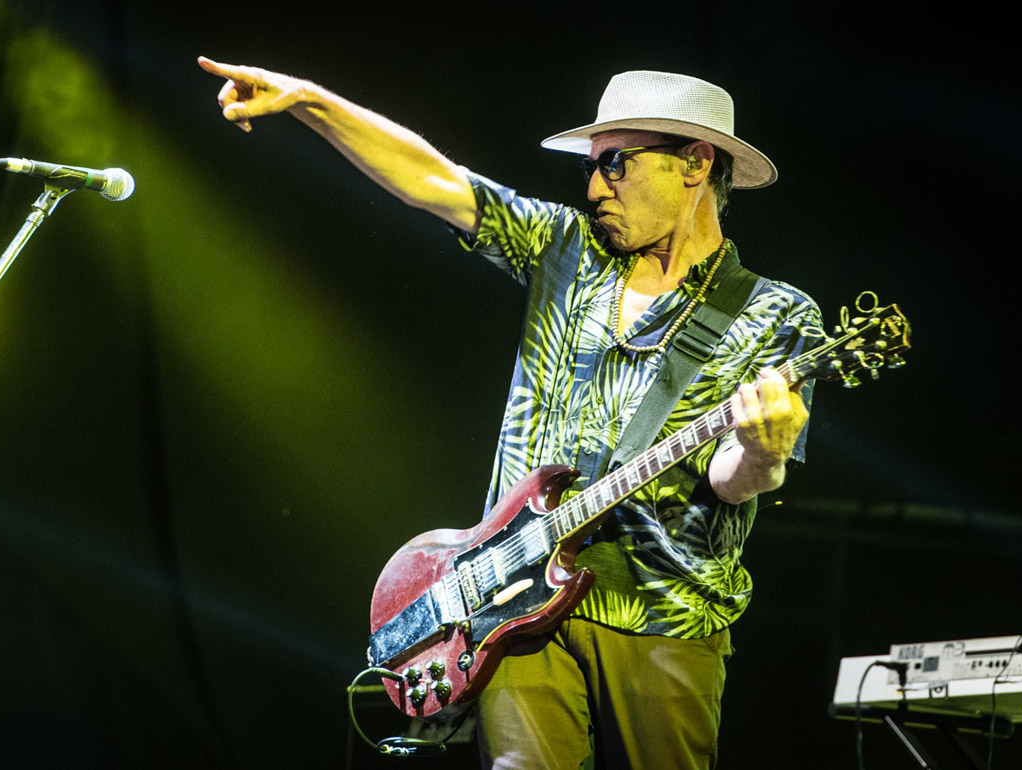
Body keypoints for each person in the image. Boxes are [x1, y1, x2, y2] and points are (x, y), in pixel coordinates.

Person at [199, 56, 820, 770]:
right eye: (591, 167)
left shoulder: (775, 313)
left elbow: (731, 481)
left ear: (695, 162)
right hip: (514, 601)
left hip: (663, 617)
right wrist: (310, 101)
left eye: (615, 164)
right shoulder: (566, 250)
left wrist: (764, 451)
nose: (594, 187)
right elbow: (435, 181)